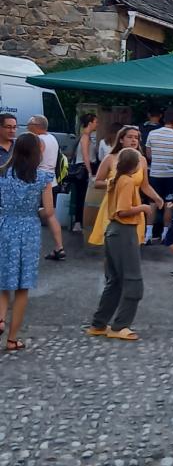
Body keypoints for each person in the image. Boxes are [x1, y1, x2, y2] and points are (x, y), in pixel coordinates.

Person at [86, 148, 150, 341]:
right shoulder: (127, 181)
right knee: (133, 280)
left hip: (113, 231)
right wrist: (143, 207)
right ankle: (121, 325)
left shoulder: (116, 179)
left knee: (114, 281)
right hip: (124, 231)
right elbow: (123, 211)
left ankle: (99, 323)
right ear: (135, 165)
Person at [0, 133, 55, 351]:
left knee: (3, 279)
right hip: (29, 230)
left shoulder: (3, 173)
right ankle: (12, 339)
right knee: (23, 286)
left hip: (5, 226)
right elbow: (49, 211)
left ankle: (0, 319)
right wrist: (32, 212)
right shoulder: (42, 178)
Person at [89, 125, 165, 247]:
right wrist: (114, 182)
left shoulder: (142, 160)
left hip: (134, 205)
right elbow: (97, 182)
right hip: (113, 204)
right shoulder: (110, 158)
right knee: (113, 244)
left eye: (136, 138)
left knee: (131, 245)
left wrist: (157, 198)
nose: (134, 140)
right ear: (121, 139)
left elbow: (145, 185)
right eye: (130, 137)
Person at [27, 115, 66, 262]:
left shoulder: (38, 140)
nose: (27, 127)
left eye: (30, 124)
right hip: (52, 180)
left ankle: (28, 248)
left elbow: (35, 160)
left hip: (38, 180)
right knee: (50, 215)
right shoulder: (52, 138)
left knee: (29, 213)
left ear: (37, 126)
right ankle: (59, 247)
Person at [145, 108, 173, 243]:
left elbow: (148, 155)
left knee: (152, 203)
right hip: (171, 175)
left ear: (163, 119)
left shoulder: (152, 134)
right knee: (168, 204)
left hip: (155, 173)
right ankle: (165, 234)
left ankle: (148, 234)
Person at [68, 113, 98, 233]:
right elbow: (85, 155)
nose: (97, 124)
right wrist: (90, 172)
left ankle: (79, 221)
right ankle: (78, 222)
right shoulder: (85, 137)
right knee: (82, 196)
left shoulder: (86, 136)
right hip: (84, 168)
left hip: (84, 167)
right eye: (95, 122)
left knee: (82, 195)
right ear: (90, 123)